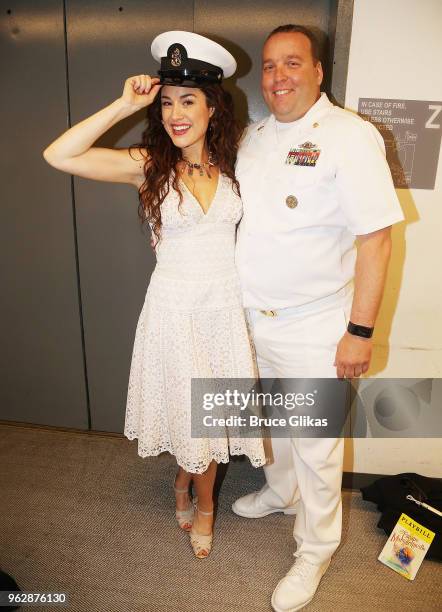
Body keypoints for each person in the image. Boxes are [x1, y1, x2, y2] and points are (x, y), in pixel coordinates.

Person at [42, 30, 266, 559]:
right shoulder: (148, 164)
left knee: (210, 418)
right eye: (167, 102)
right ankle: (187, 486)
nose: (174, 113)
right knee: (194, 418)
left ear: (214, 105)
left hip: (224, 310)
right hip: (173, 310)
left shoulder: (239, 160)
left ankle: (197, 495)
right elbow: (59, 155)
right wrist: (124, 104)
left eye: (188, 100)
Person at [233, 25, 404, 611]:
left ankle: (315, 550)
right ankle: (281, 492)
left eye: (292, 64)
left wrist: (359, 333)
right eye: (270, 66)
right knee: (277, 422)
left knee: (318, 446)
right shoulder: (253, 138)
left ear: (318, 71)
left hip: (316, 325)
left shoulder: (350, 137)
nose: (278, 77)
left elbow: (376, 241)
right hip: (254, 319)